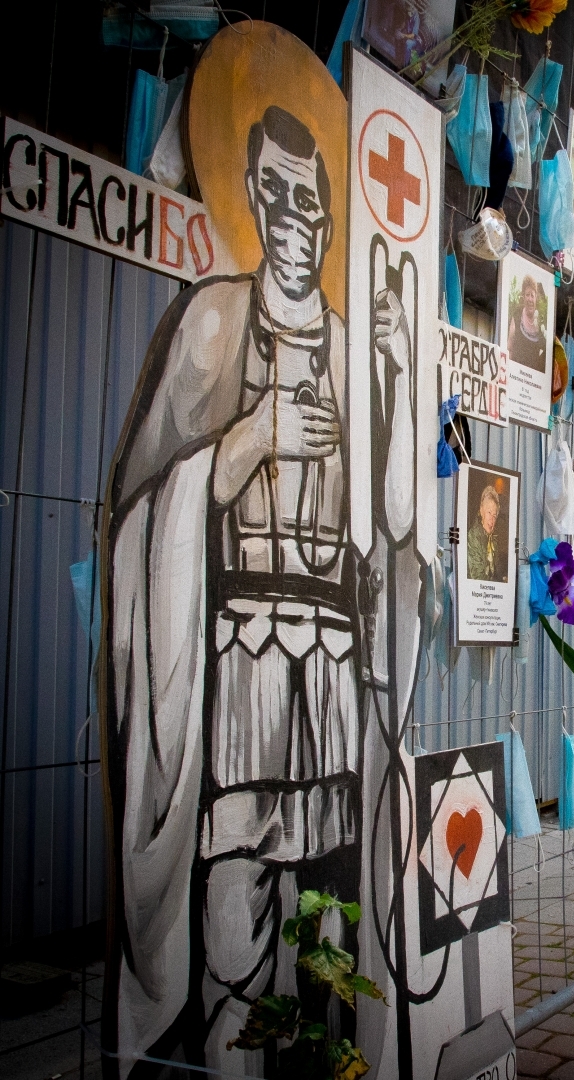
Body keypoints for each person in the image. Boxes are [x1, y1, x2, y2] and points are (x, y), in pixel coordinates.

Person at [103, 105, 421, 1070]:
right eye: (273, 194)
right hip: (236, 654)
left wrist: (397, 373)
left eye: (309, 198)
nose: (292, 218)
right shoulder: (210, 324)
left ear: (329, 217)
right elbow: (139, 517)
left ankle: (307, 1060)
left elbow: (399, 532)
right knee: (235, 880)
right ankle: (231, 1064)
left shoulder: (353, 344)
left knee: (320, 894)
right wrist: (242, 446)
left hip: (325, 666)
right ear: (249, 199)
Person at [467, 482, 509, 581]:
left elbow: (496, 570)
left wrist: (503, 579)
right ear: (481, 511)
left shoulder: (493, 539)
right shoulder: (474, 536)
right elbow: (477, 576)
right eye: (489, 513)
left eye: (495, 515)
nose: (492, 519)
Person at [508, 275, 547, 373]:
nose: (529, 299)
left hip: (533, 379)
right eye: (527, 295)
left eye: (532, 295)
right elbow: (509, 347)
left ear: (536, 298)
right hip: (516, 374)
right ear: (523, 297)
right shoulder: (516, 316)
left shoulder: (541, 320)